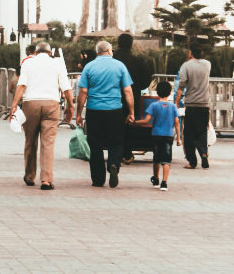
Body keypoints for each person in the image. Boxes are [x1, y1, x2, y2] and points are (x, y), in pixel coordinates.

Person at [9, 42, 74, 190]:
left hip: (30, 103)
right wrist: (71, 105)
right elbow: (66, 87)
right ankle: (46, 180)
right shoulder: (57, 63)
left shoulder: (28, 63)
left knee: (30, 141)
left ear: (36, 52)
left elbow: (22, 85)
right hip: (52, 104)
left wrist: (14, 105)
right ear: (50, 53)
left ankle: (30, 176)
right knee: (48, 143)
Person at [75, 41, 135, 188]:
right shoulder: (119, 66)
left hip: (94, 110)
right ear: (109, 50)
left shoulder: (89, 66)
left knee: (95, 144)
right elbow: (127, 90)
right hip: (114, 110)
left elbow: (83, 91)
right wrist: (131, 112)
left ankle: (98, 179)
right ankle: (113, 164)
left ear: (97, 52)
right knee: (116, 141)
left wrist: (78, 114)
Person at [134, 81, 181, 191]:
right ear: (170, 93)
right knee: (166, 160)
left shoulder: (154, 105)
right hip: (168, 136)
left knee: (156, 159)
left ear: (157, 93)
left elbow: (146, 120)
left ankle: (156, 179)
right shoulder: (173, 106)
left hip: (156, 135)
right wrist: (178, 138)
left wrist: (135, 123)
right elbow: (177, 123)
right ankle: (164, 183)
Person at [114, 33, 153, 164]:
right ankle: (127, 154)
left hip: (113, 97)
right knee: (129, 125)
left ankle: (115, 153)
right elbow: (146, 80)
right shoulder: (137, 61)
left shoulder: (112, 60)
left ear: (118, 44)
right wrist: (137, 87)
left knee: (115, 126)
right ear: (131, 45)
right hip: (133, 97)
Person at [176, 45, 211, 169]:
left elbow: (181, 85)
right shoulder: (207, 64)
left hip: (191, 104)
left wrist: (177, 101)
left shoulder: (186, 66)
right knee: (202, 131)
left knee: (189, 133)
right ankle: (204, 153)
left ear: (191, 53)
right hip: (205, 104)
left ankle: (192, 161)